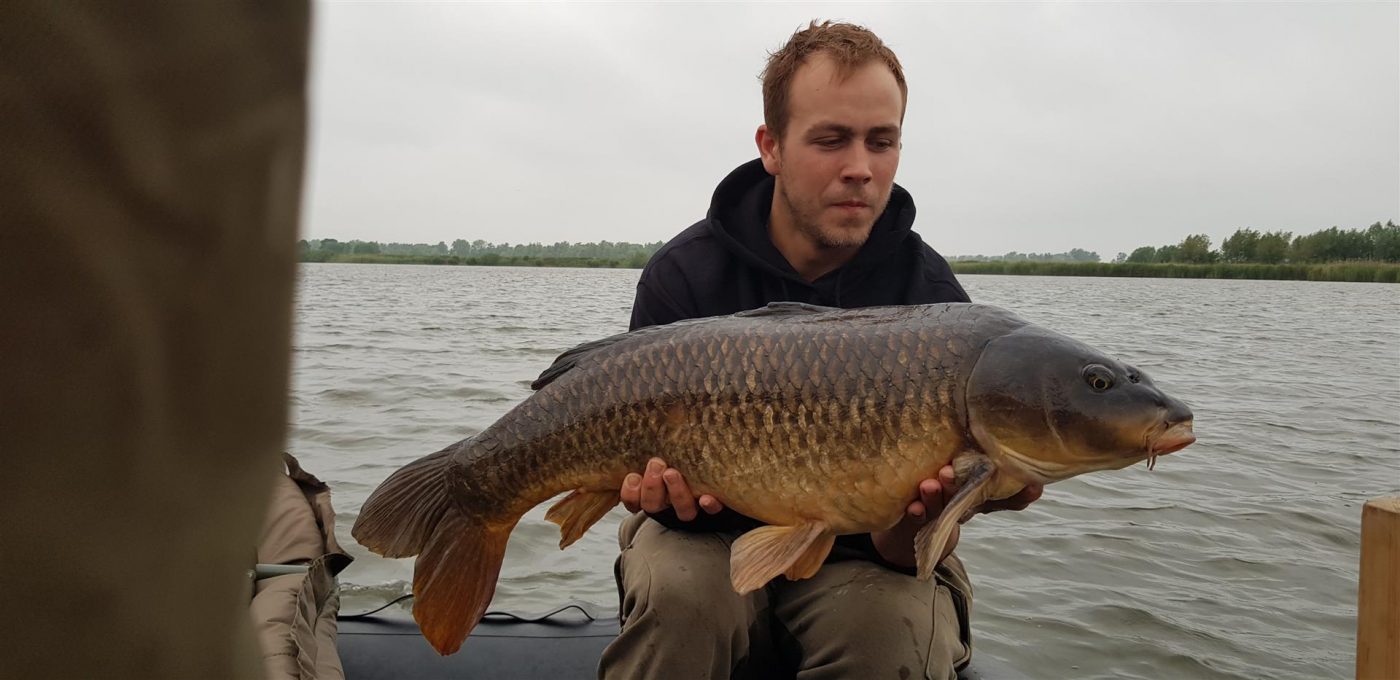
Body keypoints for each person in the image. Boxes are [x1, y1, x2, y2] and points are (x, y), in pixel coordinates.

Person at [597, 21, 1042, 680]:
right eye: (831, 139)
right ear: (770, 147)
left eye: (881, 141)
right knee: (683, 599)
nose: (859, 168)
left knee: (891, 630)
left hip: (868, 556)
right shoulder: (684, 276)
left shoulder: (932, 299)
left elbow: (902, 552)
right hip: (703, 540)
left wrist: (955, 504)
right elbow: (667, 505)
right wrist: (664, 498)